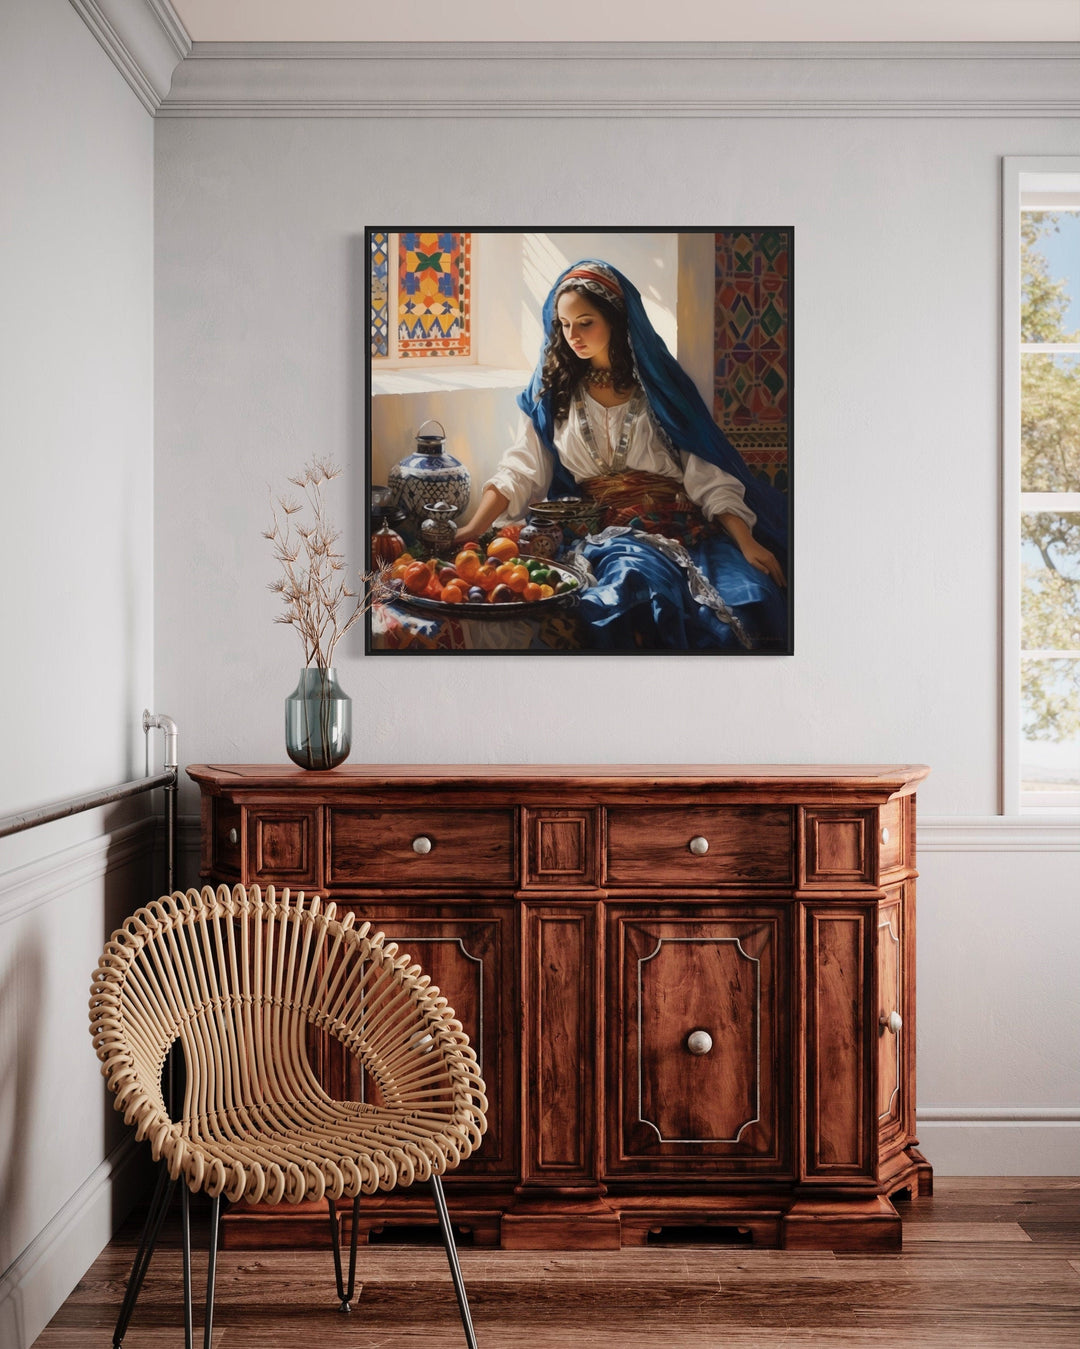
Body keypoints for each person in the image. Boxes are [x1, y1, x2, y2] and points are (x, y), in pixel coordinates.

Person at [453, 259, 789, 650]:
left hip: (682, 527)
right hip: (607, 535)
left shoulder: (660, 392)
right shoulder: (554, 396)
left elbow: (708, 477)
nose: (573, 335)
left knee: (752, 595)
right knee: (632, 585)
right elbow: (520, 469)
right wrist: (474, 529)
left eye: (585, 322)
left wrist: (747, 542)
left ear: (614, 319)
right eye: (563, 324)